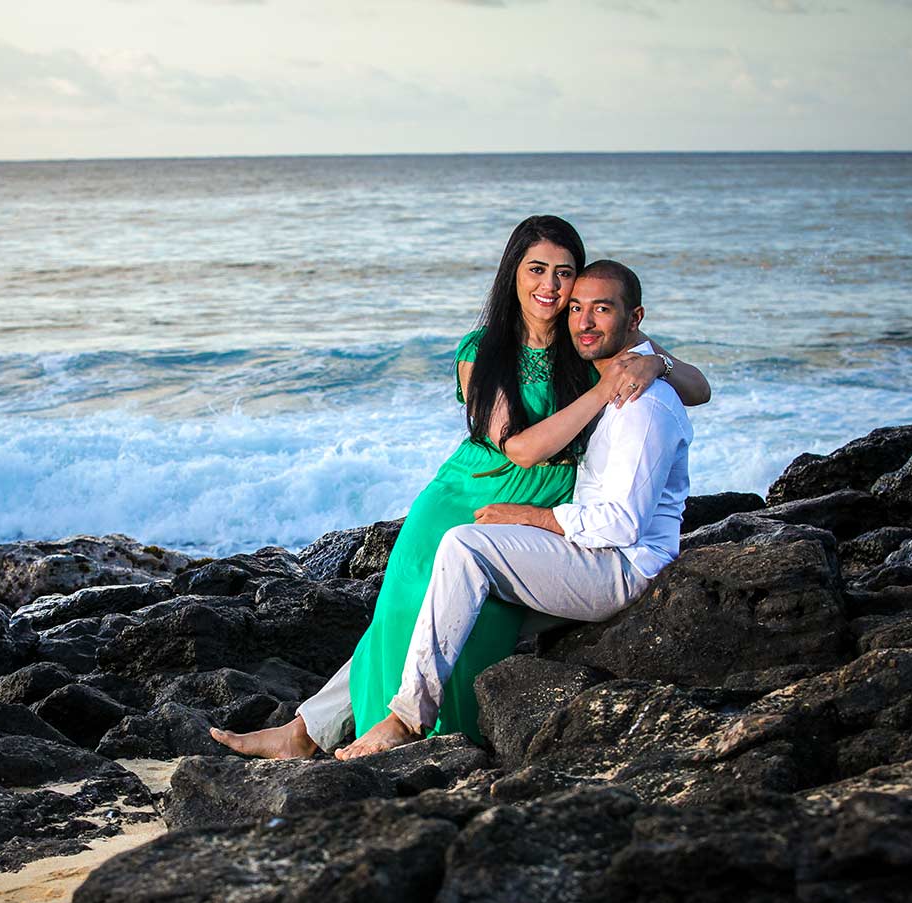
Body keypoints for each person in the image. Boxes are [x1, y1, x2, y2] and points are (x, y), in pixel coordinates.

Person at [211, 221, 707, 760]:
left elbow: (697, 387)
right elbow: (517, 449)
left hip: (551, 506)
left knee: (460, 615)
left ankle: (438, 735)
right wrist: (606, 390)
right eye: (536, 270)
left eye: (564, 274)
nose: (551, 286)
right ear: (512, 275)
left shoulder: (583, 338)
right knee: (405, 614)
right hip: (469, 497)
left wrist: (657, 360)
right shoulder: (483, 350)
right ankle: (318, 732)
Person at [337, 259, 692, 757]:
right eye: (578, 309)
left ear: (634, 319)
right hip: (576, 540)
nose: (584, 321)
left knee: (464, 548)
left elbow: (621, 524)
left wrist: (533, 517)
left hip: (618, 565)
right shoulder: (596, 373)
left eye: (601, 309)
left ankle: (408, 717)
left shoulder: (641, 404)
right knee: (430, 606)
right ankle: (318, 722)